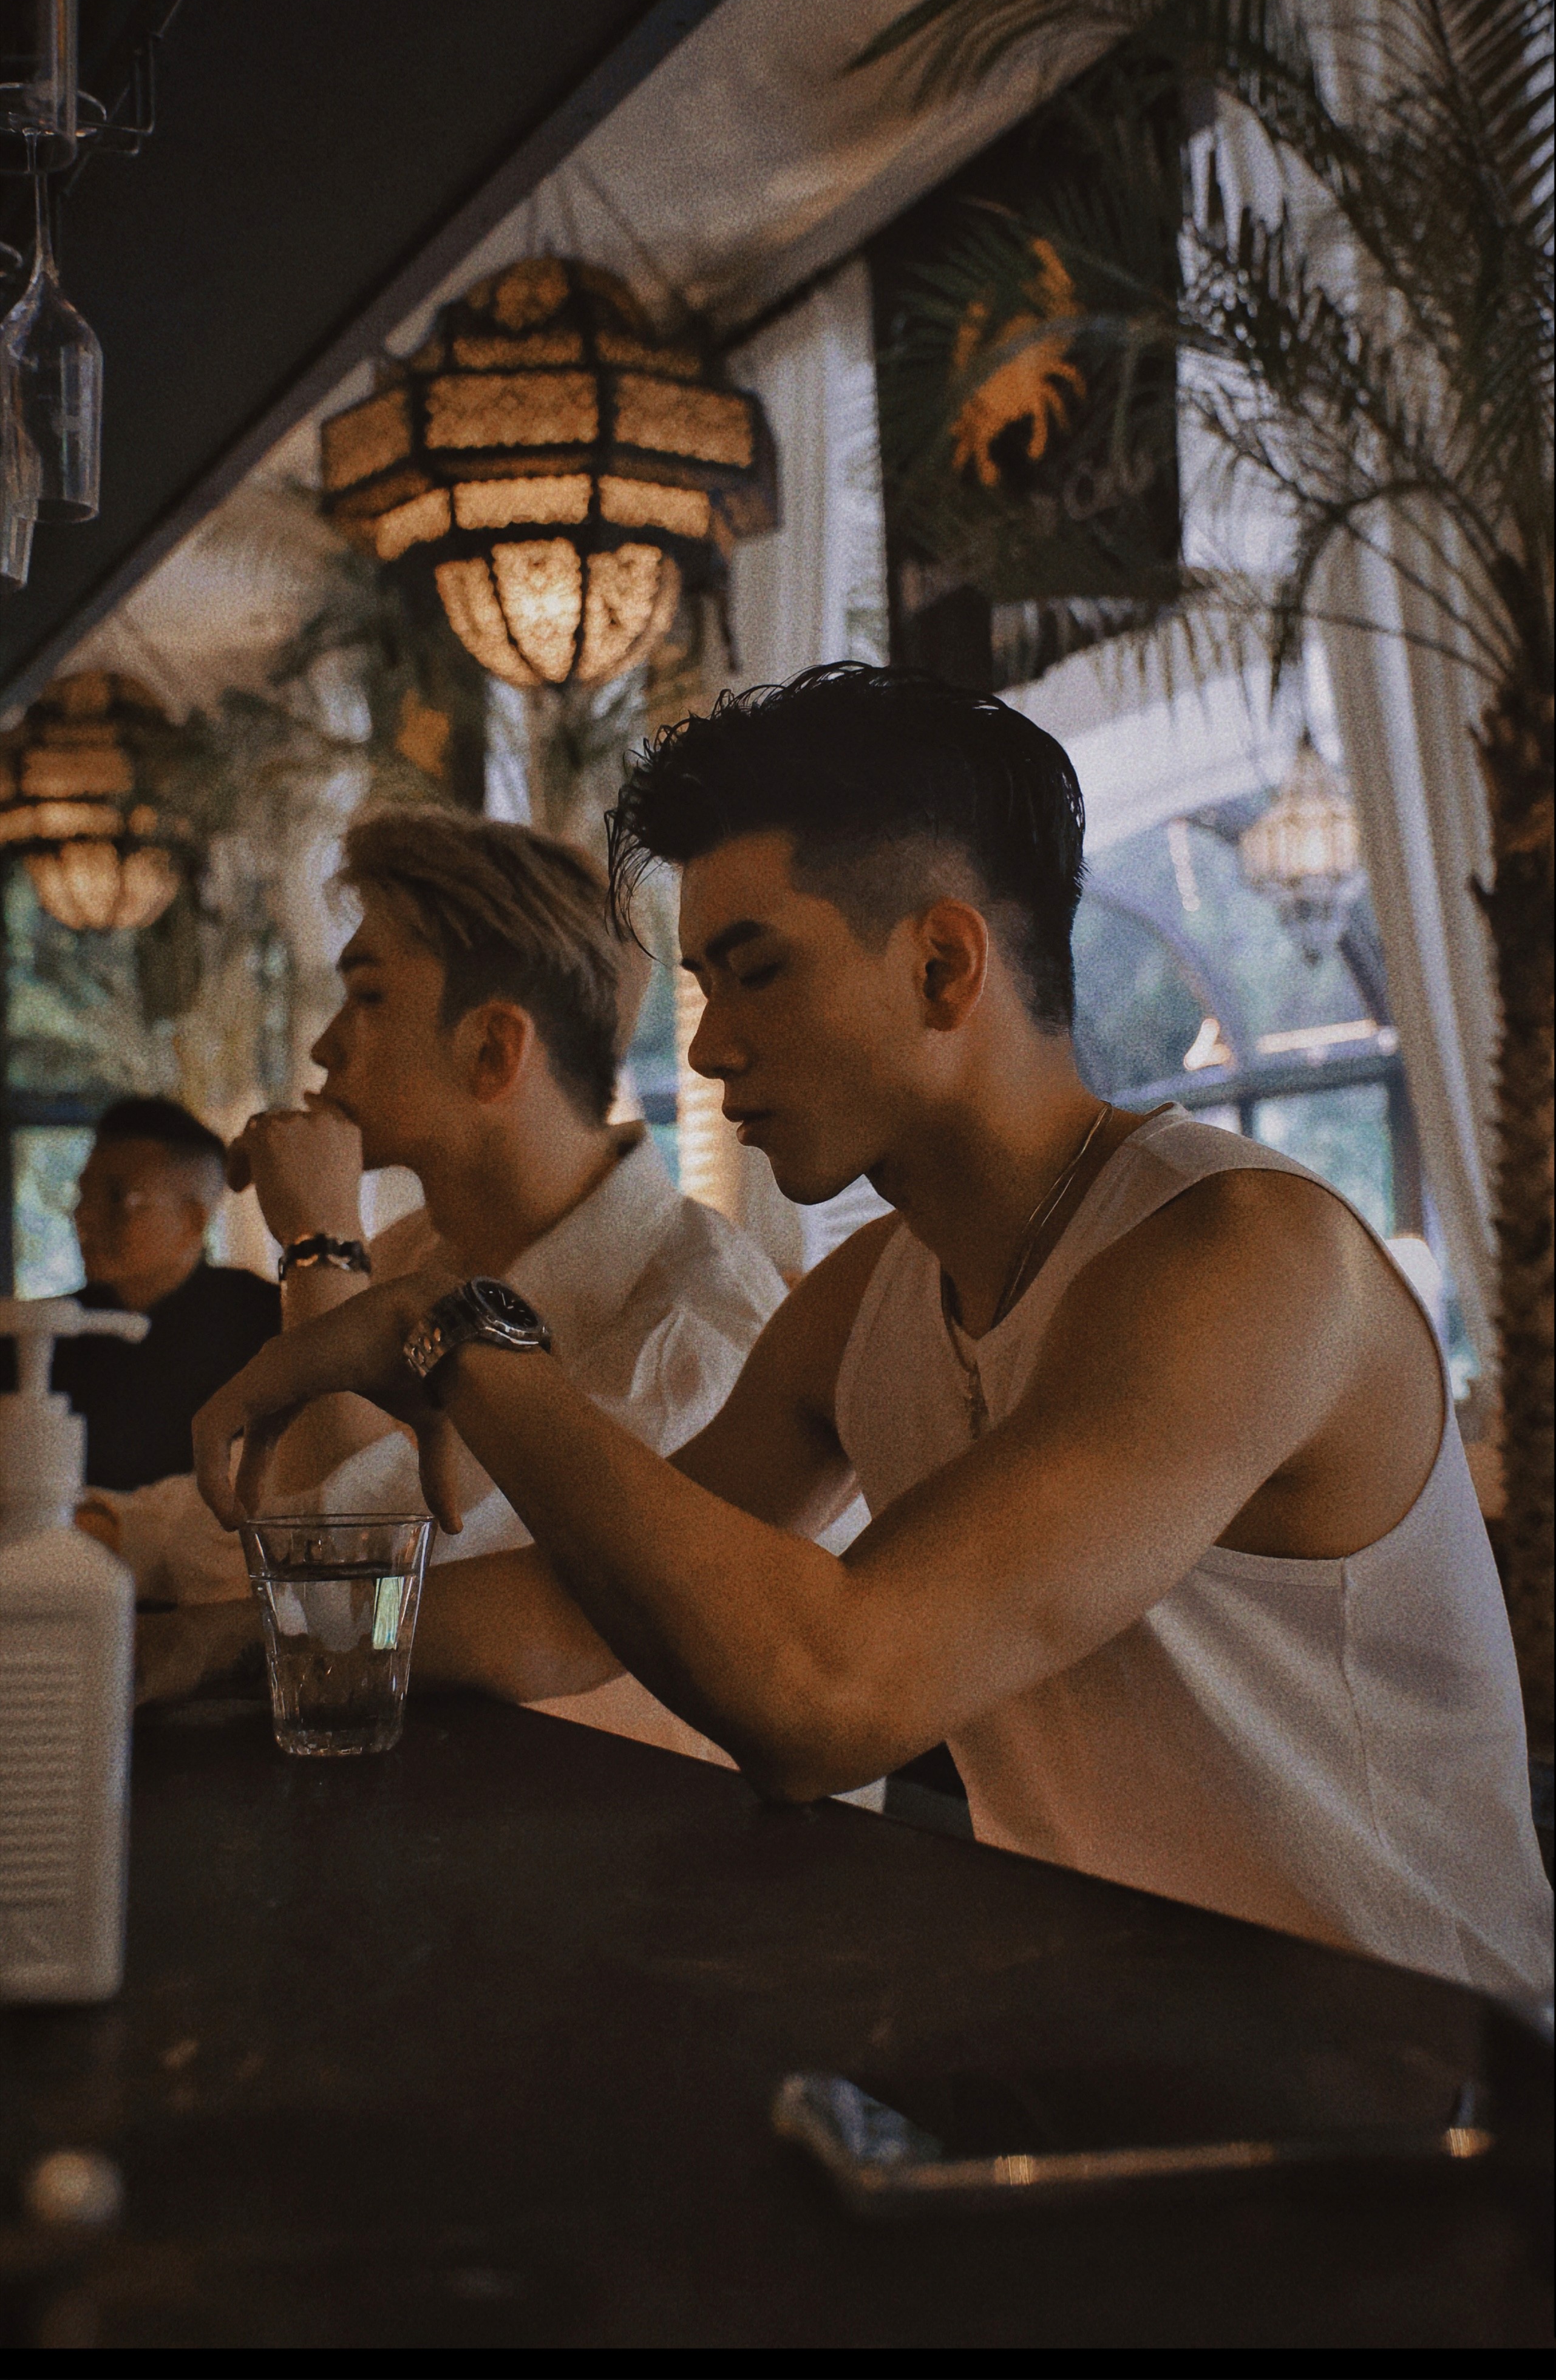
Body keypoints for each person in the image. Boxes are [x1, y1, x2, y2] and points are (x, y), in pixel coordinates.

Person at [195, 664, 1552, 1999]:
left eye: (755, 972)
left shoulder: (1245, 1254)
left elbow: (826, 1696)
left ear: (944, 961)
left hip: (1425, 2103)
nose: (712, 1046)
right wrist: (209, 1645)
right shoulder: (867, 1300)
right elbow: (563, 1615)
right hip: (1110, 2061)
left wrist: (457, 1331)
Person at [154, 807, 787, 1762]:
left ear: (493, 1050)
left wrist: (321, 1245)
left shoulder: (697, 1327)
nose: (324, 1047)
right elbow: (248, 1530)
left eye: (366, 997)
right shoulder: (421, 1256)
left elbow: (341, 1607)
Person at [0, 1096, 279, 1492]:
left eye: (116, 1198)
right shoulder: (45, 1334)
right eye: (83, 1195)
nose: (85, 1216)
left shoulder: (263, 1324)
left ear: (192, 1219)